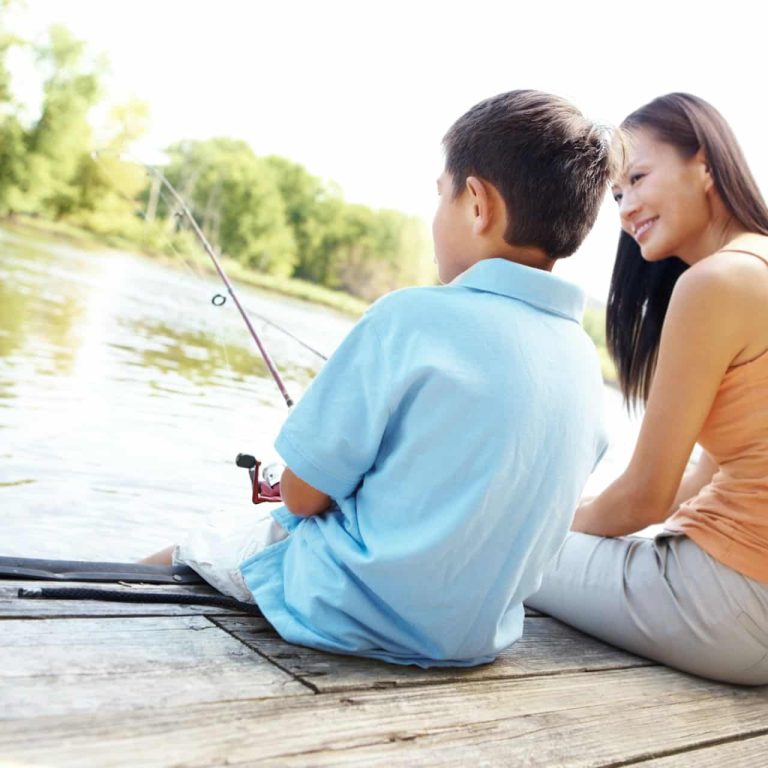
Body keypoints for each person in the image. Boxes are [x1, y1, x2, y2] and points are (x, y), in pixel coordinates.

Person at [144, 90, 614, 667]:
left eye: (440, 195)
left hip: (343, 611)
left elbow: (301, 494)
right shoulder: (584, 365)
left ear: (476, 203)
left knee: (193, 547)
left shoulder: (410, 317)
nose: (435, 215)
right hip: (470, 642)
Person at [526, 93, 768, 686]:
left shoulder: (717, 283)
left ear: (704, 164)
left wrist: (546, 525)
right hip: (742, 600)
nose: (626, 207)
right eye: (615, 194)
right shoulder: (755, 266)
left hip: (732, 606)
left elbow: (646, 496)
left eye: (637, 178)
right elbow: (703, 474)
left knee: (494, 540)